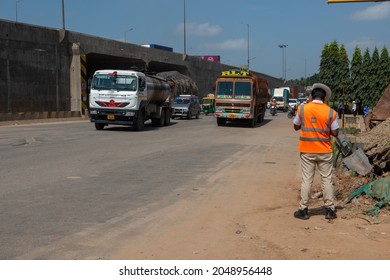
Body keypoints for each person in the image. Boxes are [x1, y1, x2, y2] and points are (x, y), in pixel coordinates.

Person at [293, 83, 339, 220]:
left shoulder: (302, 109)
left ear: (312, 96)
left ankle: (303, 209)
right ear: (325, 98)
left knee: (307, 180)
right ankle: (330, 210)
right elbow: (335, 132)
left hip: (307, 151)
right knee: (327, 179)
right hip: (325, 151)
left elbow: (296, 126)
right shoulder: (331, 112)